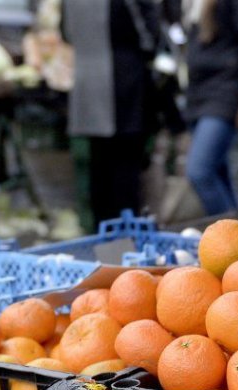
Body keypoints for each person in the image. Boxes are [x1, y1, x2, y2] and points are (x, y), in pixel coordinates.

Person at [63, 0, 159, 224]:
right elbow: (149, 36)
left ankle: (103, 242)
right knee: (125, 175)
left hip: (89, 85)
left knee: (100, 172)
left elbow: (67, 33)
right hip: (125, 87)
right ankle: (126, 243)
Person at [182, 0, 238, 215]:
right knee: (218, 171)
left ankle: (231, 235)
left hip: (225, 92)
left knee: (200, 171)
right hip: (197, 95)